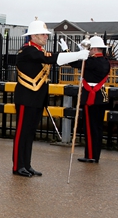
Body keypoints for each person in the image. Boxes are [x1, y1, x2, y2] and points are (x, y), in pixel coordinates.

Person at [12, 19, 88, 177]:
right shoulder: (27, 51)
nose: (46, 37)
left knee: (30, 132)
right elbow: (50, 58)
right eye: (42, 34)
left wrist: (79, 57)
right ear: (33, 35)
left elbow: (51, 60)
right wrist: (77, 54)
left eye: (46, 34)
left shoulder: (37, 50)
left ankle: (27, 164)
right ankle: (18, 166)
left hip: (37, 99)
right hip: (26, 98)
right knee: (22, 133)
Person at [68, 35, 110, 163]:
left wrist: (67, 52)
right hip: (101, 96)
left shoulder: (91, 62)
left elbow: (73, 63)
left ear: (95, 48)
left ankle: (90, 155)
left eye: (90, 48)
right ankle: (94, 155)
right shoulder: (105, 62)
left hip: (90, 97)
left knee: (90, 127)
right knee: (97, 127)